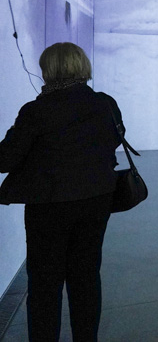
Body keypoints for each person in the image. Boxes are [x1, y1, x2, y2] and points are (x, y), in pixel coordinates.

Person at [0, 42, 123, 341]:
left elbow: (5, 160)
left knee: (45, 284)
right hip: (97, 200)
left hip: (50, 206)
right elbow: (115, 139)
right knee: (86, 277)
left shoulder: (36, 111)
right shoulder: (105, 103)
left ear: (50, 71)